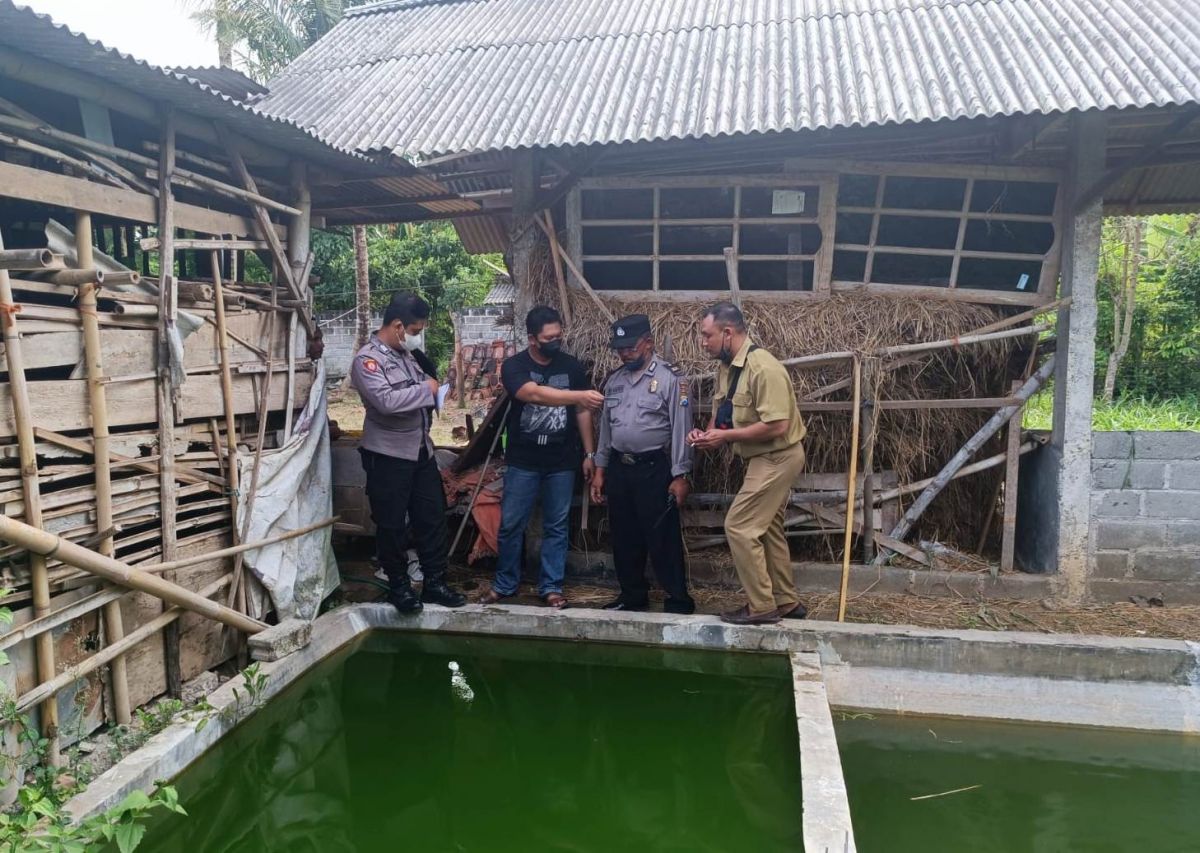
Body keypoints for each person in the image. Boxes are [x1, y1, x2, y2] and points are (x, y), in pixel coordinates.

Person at [688, 302, 808, 625]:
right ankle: (785, 601)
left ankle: (761, 607)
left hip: (778, 456)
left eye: (707, 335)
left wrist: (726, 437)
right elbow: (723, 415)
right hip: (762, 458)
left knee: (739, 526)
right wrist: (706, 434)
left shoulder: (763, 368)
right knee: (767, 527)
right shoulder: (727, 368)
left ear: (727, 333)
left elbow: (778, 425)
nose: (703, 342)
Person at [351, 292, 467, 614]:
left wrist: (433, 390)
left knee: (432, 518)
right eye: (415, 330)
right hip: (387, 455)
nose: (418, 337)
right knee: (391, 525)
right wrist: (426, 390)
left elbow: (424, 386)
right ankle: (399, 587)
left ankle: (435, 583)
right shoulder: (367, 360)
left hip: (420, 451)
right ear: (398, 326)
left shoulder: (407, 355)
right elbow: (385, 402)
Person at [481, 306, 603, 608]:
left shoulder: (571, 367)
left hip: (561, 461)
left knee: (557, 526)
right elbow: (531, 393)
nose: (555, 342)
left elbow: (582, 412)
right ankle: (505, 583)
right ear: (532, 339)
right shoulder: (514, 366)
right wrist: (579, 395)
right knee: (511, 524)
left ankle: (551, 586)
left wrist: (589, 453)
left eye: (559, 336)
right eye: (549, 338)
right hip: (523, 460)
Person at [589, 314, 696, 614]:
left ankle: (677, 599)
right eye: (620, 349)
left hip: (653, 468)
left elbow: (682, 429)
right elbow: (606, 431)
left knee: (662, 536)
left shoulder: (671, 379)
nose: (624, 354)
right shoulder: (614, 381)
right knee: (624, 535)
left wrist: (681, 475)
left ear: (648, 342)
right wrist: (600, 470)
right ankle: (632, 596)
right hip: (620, 469)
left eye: (630, 347)